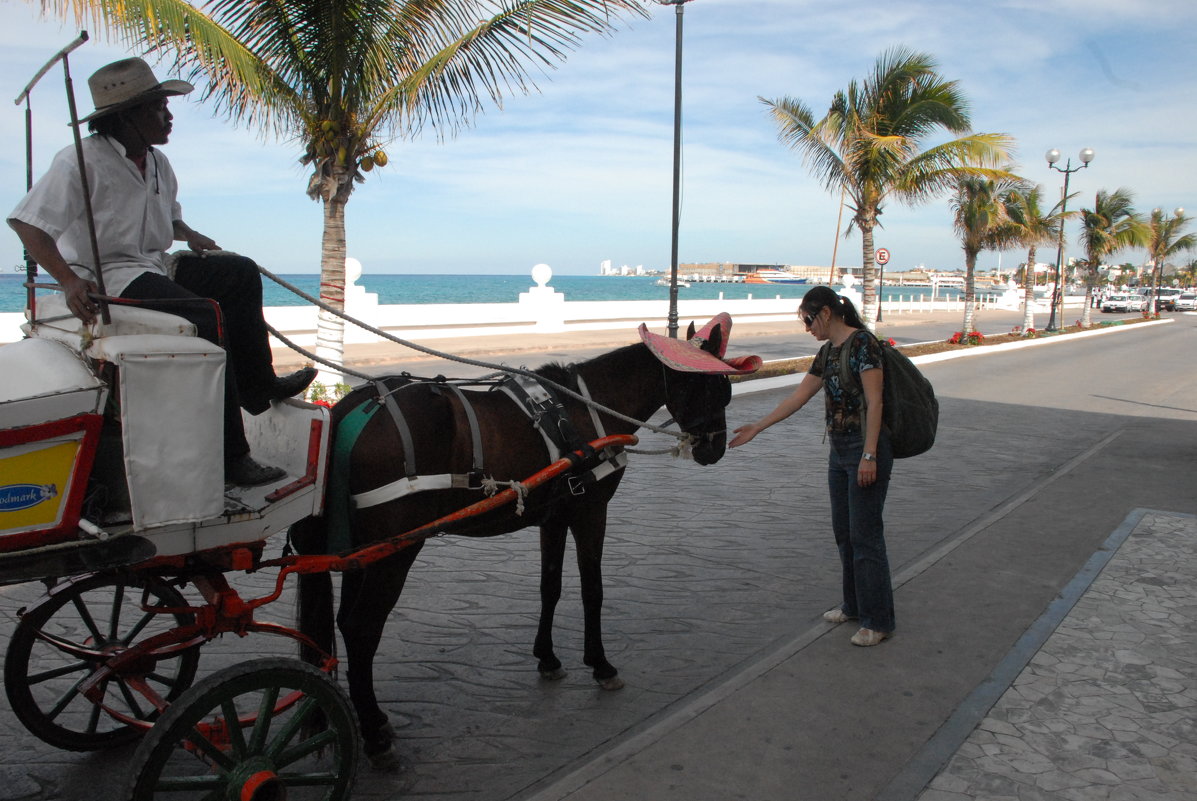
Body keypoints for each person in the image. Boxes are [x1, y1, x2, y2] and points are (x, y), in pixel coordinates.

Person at [8, 57, 315, 487]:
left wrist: (189, 234)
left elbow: (167, 220)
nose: (168, 117)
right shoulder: (80, 160)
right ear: (125, 117)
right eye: (157, 109)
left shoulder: (157, 163)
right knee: (206, 313)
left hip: (154, 264)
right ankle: (232, 454)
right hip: (109, 275)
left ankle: (258, 384)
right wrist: (69, 280)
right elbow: (28, 223)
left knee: (240, 273)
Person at [728, 286, 895, 647]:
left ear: (825, 314)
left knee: (866, 537)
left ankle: (877, 621)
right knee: (844, 534)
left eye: (808, 319)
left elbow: (876, 401)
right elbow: (798, 397)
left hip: (866, 448)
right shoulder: (828, 352)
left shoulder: (863, 345)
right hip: (839, 451)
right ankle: (853, 606)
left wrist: (869, 455)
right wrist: (758, 426)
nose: (807, 328)